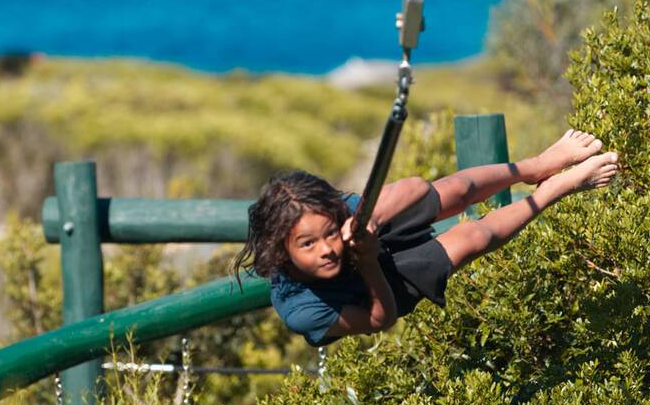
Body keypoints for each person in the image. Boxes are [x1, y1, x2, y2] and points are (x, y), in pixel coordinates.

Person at [236, 130, 619, 346]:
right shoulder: (300, 308)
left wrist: (366, 223)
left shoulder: (333, 217)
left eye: (329, 234)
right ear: (280, 250)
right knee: (471, 236)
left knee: (457, 189)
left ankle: (539, 165)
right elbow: (378, 319)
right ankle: (558, 188)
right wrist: (367, 262)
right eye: (308, 244)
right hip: (375, 289)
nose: (326, 248)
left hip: (370, 237)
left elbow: (416, 187)